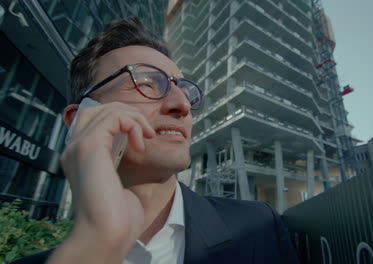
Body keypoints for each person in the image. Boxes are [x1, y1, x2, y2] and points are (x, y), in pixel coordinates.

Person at [13, 17, 299, 264]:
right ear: (80, 119)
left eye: (185, 90)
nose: (182, 104)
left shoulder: (259, 227)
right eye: (147, 82)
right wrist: (95, 246)